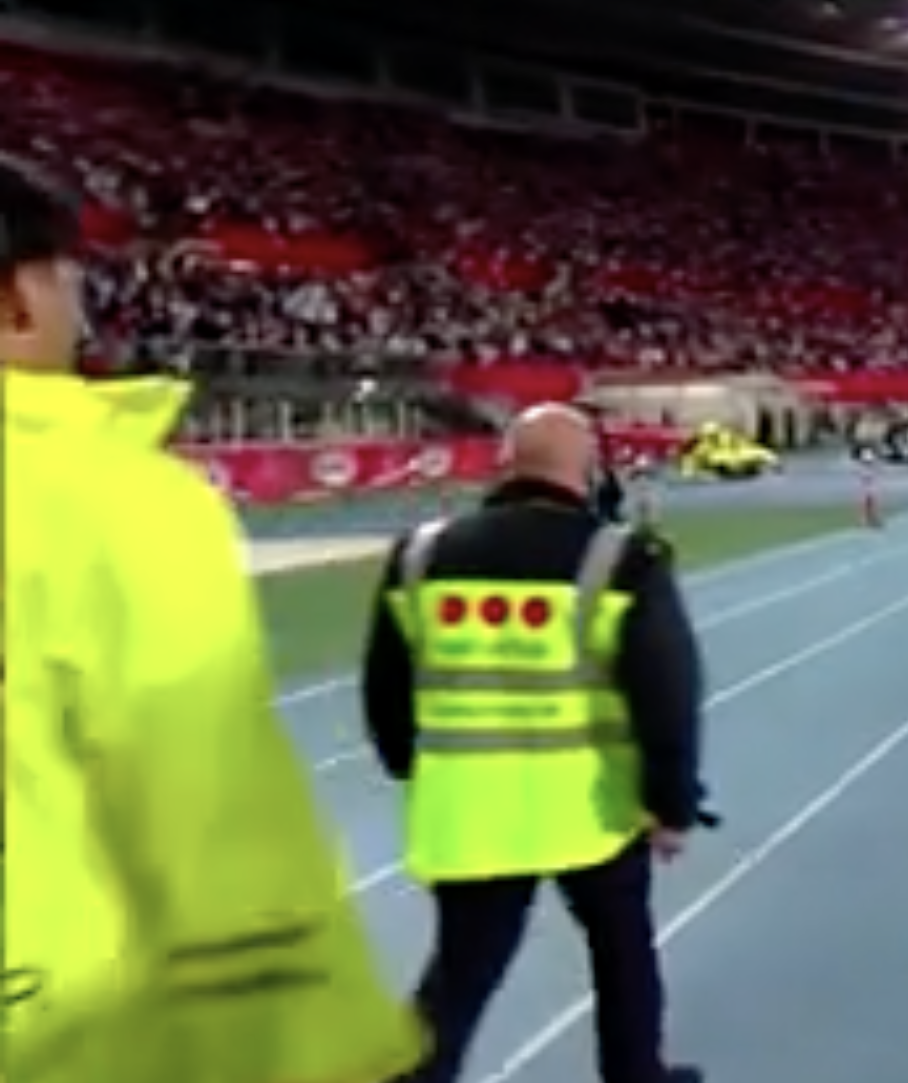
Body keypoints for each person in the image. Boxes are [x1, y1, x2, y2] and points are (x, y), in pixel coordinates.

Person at [0, 154, 429, 1083]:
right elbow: (212, 815)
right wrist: (324, 1052)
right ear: (16, 300)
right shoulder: (100, 497)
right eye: (68, 277)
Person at [361, 403, 710, 1083]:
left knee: (460, 973)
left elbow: (385, 684)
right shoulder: (620, 558)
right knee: (623, 957)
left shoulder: (420, 556)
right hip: (592, 809)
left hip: (470, 809)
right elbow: (666, 692)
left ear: (504, 463)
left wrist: (409, 762)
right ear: (590, 470)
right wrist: (672, 805)